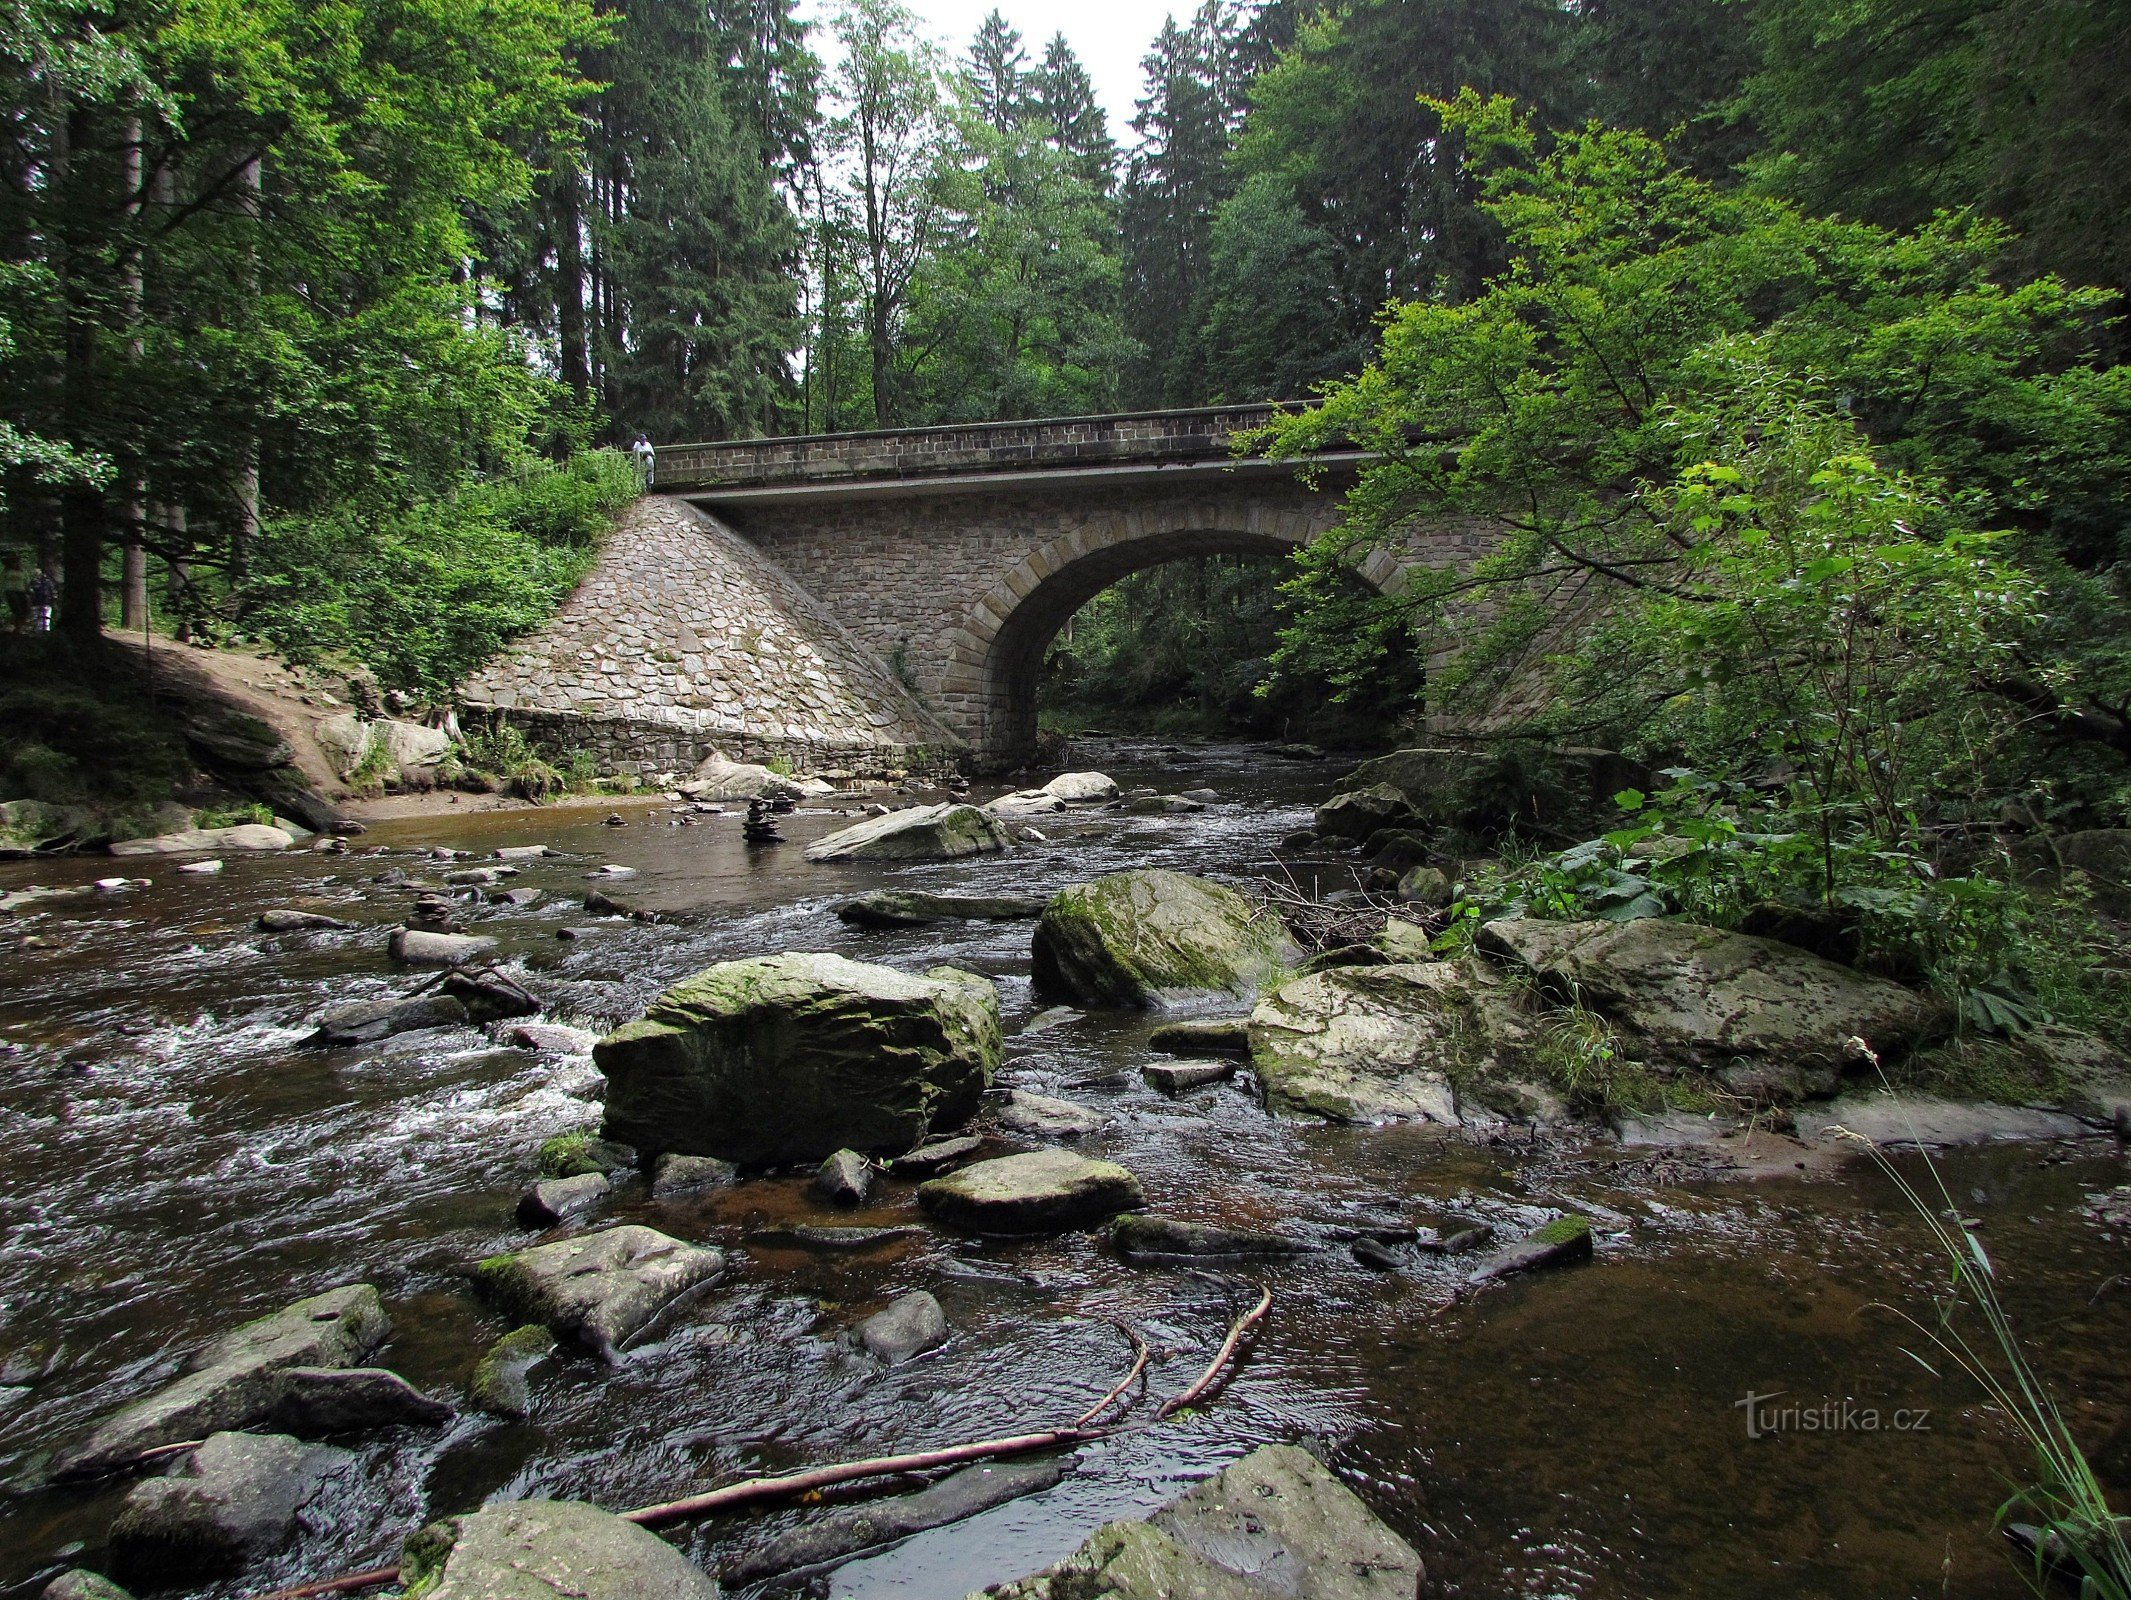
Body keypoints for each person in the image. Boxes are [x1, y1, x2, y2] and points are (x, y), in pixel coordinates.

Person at [27, 566, 56, 631]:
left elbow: (52, 591)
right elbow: (29, 592)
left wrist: (52, 598)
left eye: (38, 573)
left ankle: (45, 633)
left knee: (46, 619)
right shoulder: (32, 582)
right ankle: (38, 633)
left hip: (46, 602)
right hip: (36, 603)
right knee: (36, 619)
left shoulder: (47, 582)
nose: (37, 575)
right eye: (35, 573)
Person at [2, 552, 26, 632]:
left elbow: (25, 581)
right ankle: (16, 626)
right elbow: (2, 581)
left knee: (25, 609)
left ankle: (19, 626)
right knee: (16, 609)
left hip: (21, 590)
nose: (15, 563)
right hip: (10, 590)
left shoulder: (21, 571)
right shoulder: (6, 571)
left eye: (16, 562)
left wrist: (28, 589)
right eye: (13, 562)